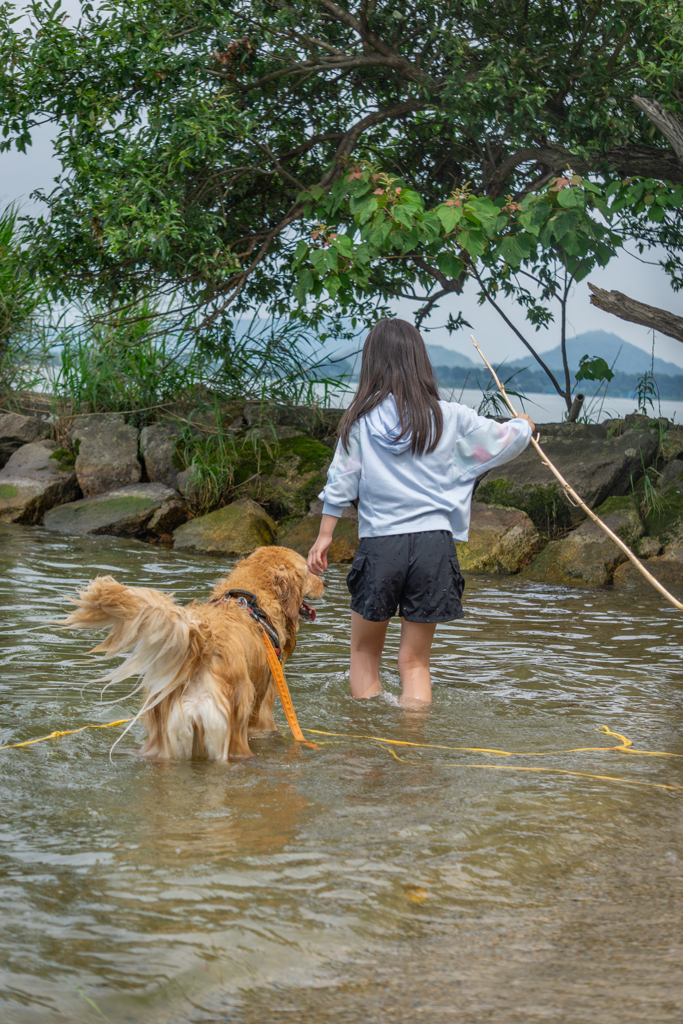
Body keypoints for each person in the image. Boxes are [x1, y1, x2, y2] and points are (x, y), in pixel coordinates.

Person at [307, 318, 535, 705]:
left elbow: (341, 481)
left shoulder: (360, 423)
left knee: (364, 654)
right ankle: (414, 754)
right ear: (419, 360)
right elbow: (504, 440)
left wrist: (325, 536)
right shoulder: (450, 415)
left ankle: (370, 751)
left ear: (372, 362)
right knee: (414, 662)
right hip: (434, 545)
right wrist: (523, 425)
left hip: (382, 544)